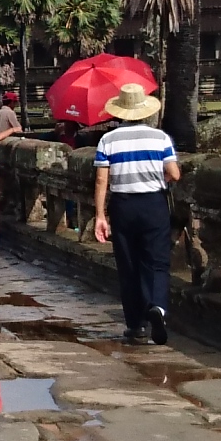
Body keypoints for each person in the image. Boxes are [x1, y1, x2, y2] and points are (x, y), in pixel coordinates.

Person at [91, 82, 183, 345]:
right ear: (144, 110)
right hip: (153, 204)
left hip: (123, 205)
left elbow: (101, 180)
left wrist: (100, 214)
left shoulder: (108, 140)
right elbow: (174, 174)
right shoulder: (160, 138)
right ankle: (157, 306)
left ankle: (136, 325)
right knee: (156, 262)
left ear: (120, 111)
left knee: (129, 265)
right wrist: (159, 176)